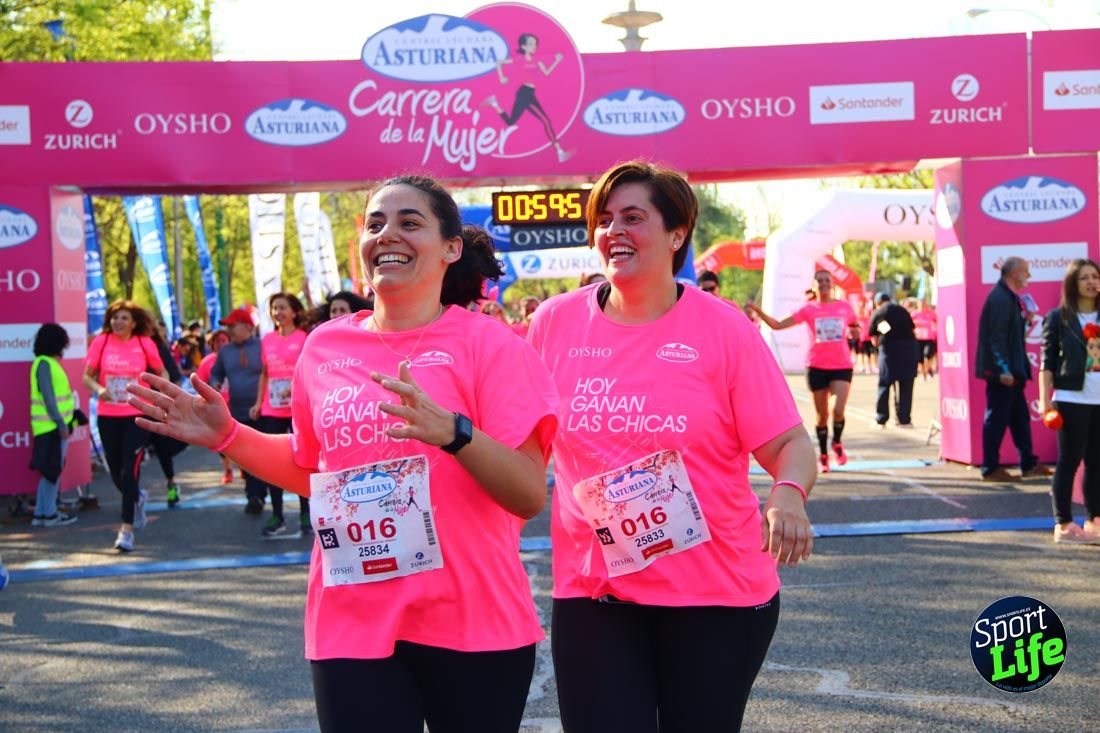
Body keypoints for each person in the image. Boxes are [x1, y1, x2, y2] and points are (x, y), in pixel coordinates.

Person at [129, 174, 558, 732]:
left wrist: (455, 433)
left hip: (473, 619)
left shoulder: (492, 346)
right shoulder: (325, 345)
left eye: (410, 223)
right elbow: (313, 471)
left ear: (452, 248)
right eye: (376, 223)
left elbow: (527, 494)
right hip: (350, 617)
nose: (388, 235)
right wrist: (228, 435)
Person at [529, 161, 815, 733]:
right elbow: (520, 449)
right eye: (604, 219)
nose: (614, 231)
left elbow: (789, 442)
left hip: (717, 595)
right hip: (595, 592)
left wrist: (787, 494)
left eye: (633, 217)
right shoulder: (554, 323)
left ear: (677, 234)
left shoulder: (724, 328)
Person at [747, 270, 857, 472]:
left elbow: (854, 324)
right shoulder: (809, 309)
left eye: (826, 280)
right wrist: (758, 311)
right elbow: (778, 325)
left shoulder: (845, 307)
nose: (823, 284)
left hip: (842, 365)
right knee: (822, 415)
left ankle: (837, 443)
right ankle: (823, 455)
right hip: (817, 365)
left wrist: (856, 331)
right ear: (814, 286)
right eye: (820, 281)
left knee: (838, 410)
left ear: (832, 284)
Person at [82, 301, 168, 552]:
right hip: (108, 415)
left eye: (123, 318)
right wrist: (100, 390)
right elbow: (86, 376)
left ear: (133, 323)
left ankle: (126, 530)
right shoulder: (102, 342)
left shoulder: (144, 343)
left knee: (130, 470)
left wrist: (159, 394)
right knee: (117, 472)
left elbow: (162, 372)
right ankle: (137, 497)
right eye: (114, 318)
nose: (118, 322)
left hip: (136, 415)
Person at [1038, 258, 1100, 543]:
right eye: (1084, 277)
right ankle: (1063, 524)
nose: (1091, 282)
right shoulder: (1058, 317)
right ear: (1073, 284)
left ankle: (1094, 520)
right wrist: (1045, 400)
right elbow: (1047, 363)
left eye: (1095, 277)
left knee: (1097, 462)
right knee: (1069, 462)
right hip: (1071, 398)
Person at [976, 256, 1053, 482]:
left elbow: (1008, 333)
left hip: (1013, 371)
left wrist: (1026, 320)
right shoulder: (1000, 298)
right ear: (1014, 273)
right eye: (1026, 271)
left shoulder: (1009, 297)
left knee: (1019, 418)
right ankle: (990, 467)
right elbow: (996, 337)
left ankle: (1028, 462)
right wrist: (1004, 370)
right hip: (1004, 374)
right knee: (996, 419)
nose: (1028, 276)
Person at [251, 292, 311, 537]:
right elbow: (265, 373)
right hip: (271, 409)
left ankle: (306, 511)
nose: (278, 312)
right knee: (274, 462)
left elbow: (309, 372)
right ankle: (277, 514)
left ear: (294, 311)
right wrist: (258, 403)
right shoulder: (266, 340)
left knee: (302, 459)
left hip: (297, 408)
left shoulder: (304, 337)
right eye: (274, 308)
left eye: (282, 307)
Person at [209, 308, 266, 512]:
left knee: (263, 454)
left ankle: (260, 493)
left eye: (233, 326)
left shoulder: (262, 346)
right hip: (239, 411)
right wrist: (215, 383)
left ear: (248, 327)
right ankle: (253, 495)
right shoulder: (225, 351)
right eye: (227, 327)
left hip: (264, 410)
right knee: (247, 456)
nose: (229, 330)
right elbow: (216, 373)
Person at [484, 33, 572, 162]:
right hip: (524, 93)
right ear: (523, 46)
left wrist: (556, 61)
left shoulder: (537, 60)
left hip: (529, 93)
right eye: (530, 44)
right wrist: (502, 77)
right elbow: (499, 62)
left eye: (535, 44)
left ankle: (494, 103)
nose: (534, 46)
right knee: (546, 121)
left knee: (510, 122)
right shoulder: (519, 59)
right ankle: (560, 151)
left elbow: (547, 72)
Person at [29, 323, 78, 527]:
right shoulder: (45, 364)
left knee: (49, 472)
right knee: (52, 472)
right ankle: (49, 514)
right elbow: (49, 399)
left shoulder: (45, 362)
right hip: (52, 427)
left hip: (49, 427)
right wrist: (61, 424)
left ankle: (42, 513)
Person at [149, 326, 189, 508]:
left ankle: (171, 483)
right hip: (129, 409)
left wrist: (168, 398)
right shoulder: (119, 347)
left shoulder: (157, 346)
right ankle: (131, 495)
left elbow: (175, 376)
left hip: (157, 407)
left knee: (163, 449)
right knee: (129, 455)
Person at [868, 291, 919, 429]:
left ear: (877, 303)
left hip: (889, 351)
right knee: (906, 385)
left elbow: (874, 336)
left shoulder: (879, 312)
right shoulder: (902, 310)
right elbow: (912, 329)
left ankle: (881, 419)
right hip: (909, 350)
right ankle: (904, 419)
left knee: (885, 384)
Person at [196, 329, 238, 484]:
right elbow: (199, 383)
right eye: (217, 341)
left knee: (239, 437)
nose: (220, 344)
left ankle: (244, 467)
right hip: (217, 407)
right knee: (222, 439)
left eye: (223, 340)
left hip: (237, 404)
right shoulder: (207, 362)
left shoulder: (237, 357)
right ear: (212, 344)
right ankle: (228, 469)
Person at [912, 300, 938, 380]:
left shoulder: (931, 313)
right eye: (921, 304)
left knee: (927, 354)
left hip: (929, 338)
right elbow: (910, 324)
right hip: (918, 338)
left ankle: (929, 368)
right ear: (918, 304)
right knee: (920, 358)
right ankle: (923, 374)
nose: (923, 305)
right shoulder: (914, 314)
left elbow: (937, 321)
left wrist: (935, 330)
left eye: (924, 304)